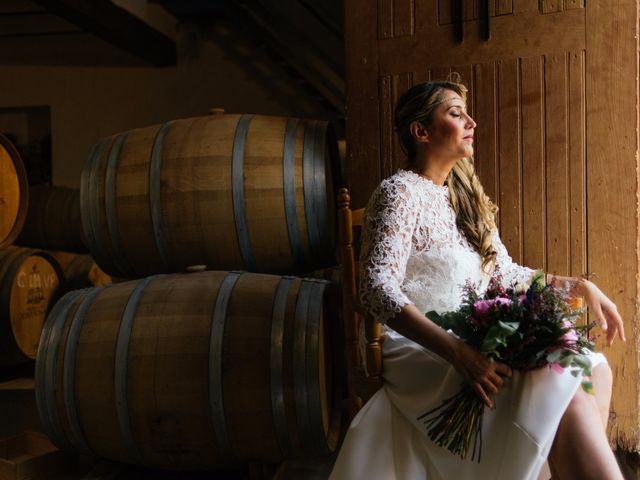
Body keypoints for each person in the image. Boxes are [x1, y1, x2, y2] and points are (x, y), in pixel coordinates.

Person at [329, 79, 626, 480]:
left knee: (587, 366)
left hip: (475, 335)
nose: (472, 121)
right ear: (421, 131)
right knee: (559, 380)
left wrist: (579, 285)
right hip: (425, 347)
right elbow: (376, 288)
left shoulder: (462, 198)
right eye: (455, 113)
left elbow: (504, 272)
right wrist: (459, 353)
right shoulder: (398, 193)